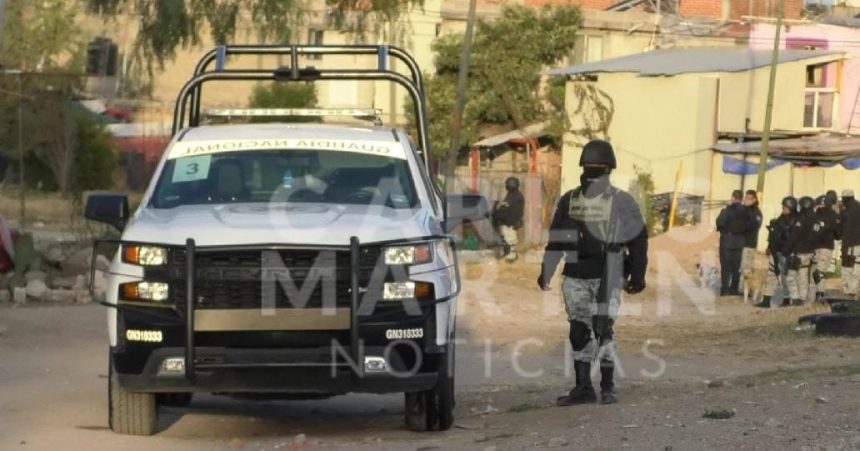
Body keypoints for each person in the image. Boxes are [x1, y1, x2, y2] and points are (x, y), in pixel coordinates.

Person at [537, 139, 648, 406]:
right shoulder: (570, 200)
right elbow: (557, 239)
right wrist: (547, 270)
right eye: (589, 167)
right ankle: (583, 387)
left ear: (608, 170)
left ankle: (608, 386)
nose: (593, 172)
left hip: (608, 273)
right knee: (578, 330)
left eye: (597, 168)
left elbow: (639, 239)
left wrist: (638, 274)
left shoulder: (621, 201)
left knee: (604, 329)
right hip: (576, 274)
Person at [755, 196, 797, 308]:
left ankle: (788, 299)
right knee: (771, 275)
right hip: (776, 252)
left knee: (786, 277)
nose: (783, 209)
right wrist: (769, 246)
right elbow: (773, 235)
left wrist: (787, 252)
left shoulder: (794, 221)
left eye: (786, 207)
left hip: (786, 253)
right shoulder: (779, 220)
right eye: (783, 206)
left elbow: (793, 239)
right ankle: (767, 299)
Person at [715, 190, 748, 296]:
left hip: (727, 241)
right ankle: (734, 289)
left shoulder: (726, 210)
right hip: (740, 241)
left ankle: (725, 289)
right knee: (736, 267)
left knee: (726, 267)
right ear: (742, 199)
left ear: (733, 198)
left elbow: (719, 222)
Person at [785, 196, 817, 305]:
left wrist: (787, 250)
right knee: (803, 275)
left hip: (799, 252)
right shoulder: (815, 218)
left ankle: (795, 297)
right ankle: (802, 298)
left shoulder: (801, 219)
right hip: (810, 252)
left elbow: (795, 235)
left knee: (791, 276)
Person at [812, 194, 839, 302]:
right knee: (819, 272)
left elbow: (837, 233)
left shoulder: (829, 215)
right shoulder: (819, 215)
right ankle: (820, 294)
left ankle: (820, 294)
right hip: (821, 246)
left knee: (818, 271)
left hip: (822, 246)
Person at [492, 177, 525, 262]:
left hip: (511, 222)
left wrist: (508, 220)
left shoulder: (517, 197)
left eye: (507, 184)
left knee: (510, 237)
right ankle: (506, 252)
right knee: (504, 237)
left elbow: (515, 211)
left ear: (512, 185)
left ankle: (512, 255)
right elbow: (505, 206)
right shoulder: (510, 195)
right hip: (505, 221)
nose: (506, 186)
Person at [740, 190, 763, 297]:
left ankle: (746, 290)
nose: (746, 200)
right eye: (745, 197)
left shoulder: (756, 212)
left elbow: (752, 226)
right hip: (741, 243)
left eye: (748, 198)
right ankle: (742, 289)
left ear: (754, 199)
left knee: (746, 268)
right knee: (741, 267)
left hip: (749, 244)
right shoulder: (745, 210)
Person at [841, 189, 860, 299]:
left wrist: (844, 250)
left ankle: (850, 292)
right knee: (858, 266)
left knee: (849, 268)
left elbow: (846, 232)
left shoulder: (847, 212)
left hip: (851, 244)